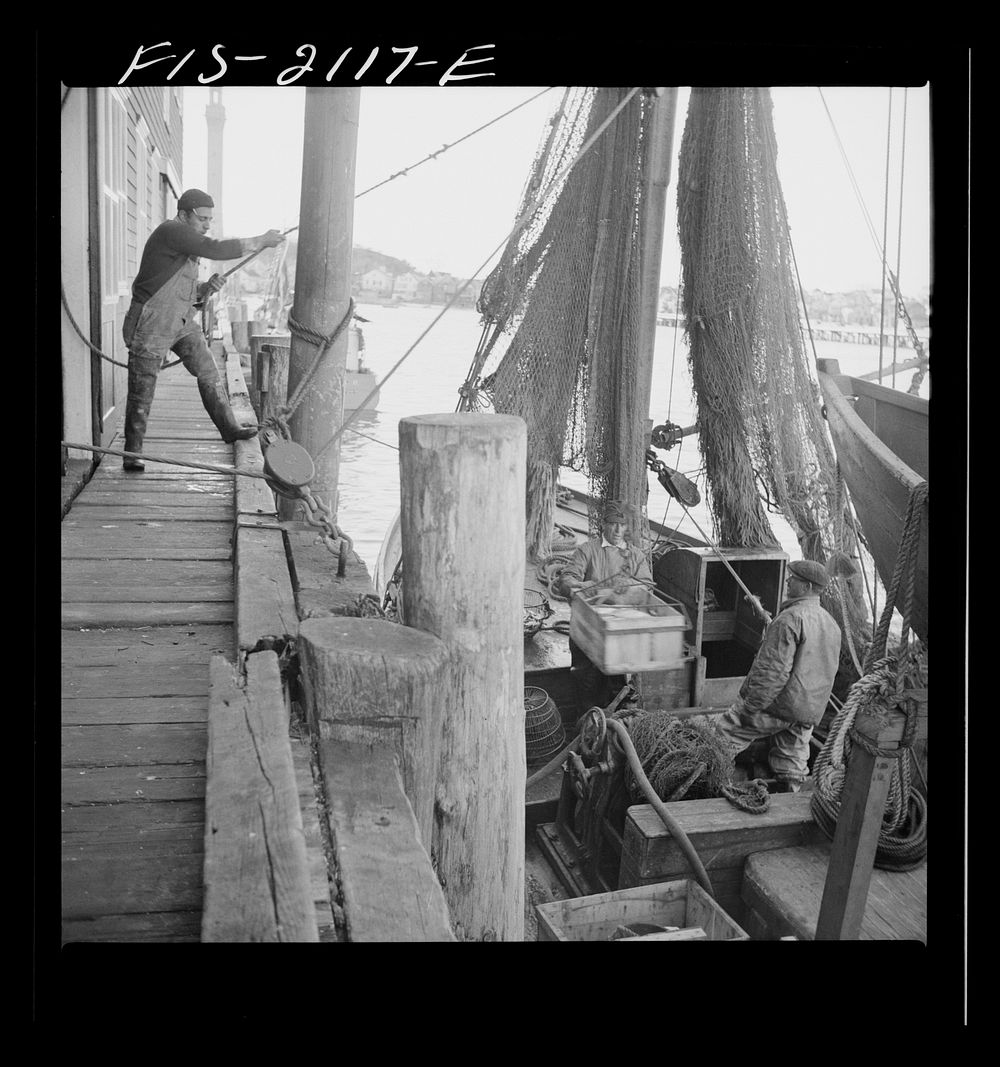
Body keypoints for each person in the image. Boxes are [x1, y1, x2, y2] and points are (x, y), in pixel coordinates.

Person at [120, 188, 286, 470]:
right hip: (151, 323)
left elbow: (178, 289)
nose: (208, 224)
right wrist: (261, 241)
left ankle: (229, 428)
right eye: (202, 218)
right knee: (142, 389)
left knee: (209, 371)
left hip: (181, 322)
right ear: (184, 214)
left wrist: (206, 288)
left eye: (211, 219)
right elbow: (215, 248)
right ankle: (132, 453)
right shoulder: (173, 231)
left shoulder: (184, 243)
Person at [713, 558, 842, 792]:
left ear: (807, 587)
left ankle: (708, 790)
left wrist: (749, 708)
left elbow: (773, 671)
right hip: (807, 712)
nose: (788, 581)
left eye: (793, 579)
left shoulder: (790, 619)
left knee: (721, 740)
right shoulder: (830, 623)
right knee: (792, 762)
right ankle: (790, 804)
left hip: (776, 707)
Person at [560, 500, 654, 713]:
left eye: (622, 525)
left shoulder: (636, 556)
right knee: (586, 684)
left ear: (627, 527)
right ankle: (586, 725)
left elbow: (646, 588)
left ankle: (615, 726)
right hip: (588, 631)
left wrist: (618, 590)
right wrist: (587, 587)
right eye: (613, 524)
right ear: (604, 524)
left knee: (619, 685)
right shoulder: (586, 550)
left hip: (619, 632)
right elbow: (567, 579)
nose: (618, 530)